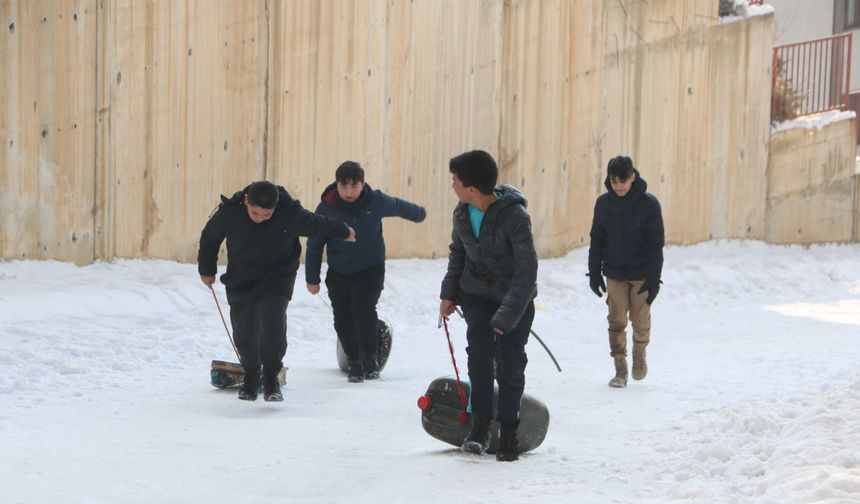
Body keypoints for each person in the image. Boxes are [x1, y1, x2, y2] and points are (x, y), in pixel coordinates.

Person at [198, 181, 355, 402]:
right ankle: (251, 376)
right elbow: (210, 237)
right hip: (241, 279)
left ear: (276, 207)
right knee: (245, 332)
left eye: (267, 214)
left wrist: (343, 230)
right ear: (246, 202)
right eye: (255, 212)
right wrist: (206, 269)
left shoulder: (289, 214)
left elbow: (317, 224)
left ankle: (271, 377)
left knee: (272, 324)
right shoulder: (230, 212)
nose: (260, 218)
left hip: (277, 278)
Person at [439, 150, 538, 462]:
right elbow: (459, 253)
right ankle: (480, 427)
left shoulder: (515, 217)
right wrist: (448, 293)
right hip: (477, 295)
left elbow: (526, 271)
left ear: (471, 188)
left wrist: (505, 317)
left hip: (515, 300)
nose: (452, 186)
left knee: (510, 365)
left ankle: (509, 430)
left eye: (455, 181)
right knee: (479, 357)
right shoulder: (462, 212)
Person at [305, 161, 426, 383]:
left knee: (363, 308)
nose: (349, 191)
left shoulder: (376, 201)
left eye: (354, 185)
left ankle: (370, 358)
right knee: (342, 316)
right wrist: (312, 278)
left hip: (370, 268)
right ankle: (353, 360)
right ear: (336, 184)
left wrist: (419, 214)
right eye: (344, 186)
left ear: (362, 184)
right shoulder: (326, 208)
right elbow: (314, 244)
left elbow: (399, 206)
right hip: (339, 270)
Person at [587, 155, 664, 388]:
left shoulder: (649, 205)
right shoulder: (603, 204)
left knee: (640, 319)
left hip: (641, 273)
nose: (619, 186)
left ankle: (639, 351)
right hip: (615, 272)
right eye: (614, 181)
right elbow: (597, 240)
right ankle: (620, 367)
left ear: (632, 177)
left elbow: (656, 245)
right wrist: (594, 273)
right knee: (616, 318)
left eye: (623, 180)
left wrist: (654, 279)